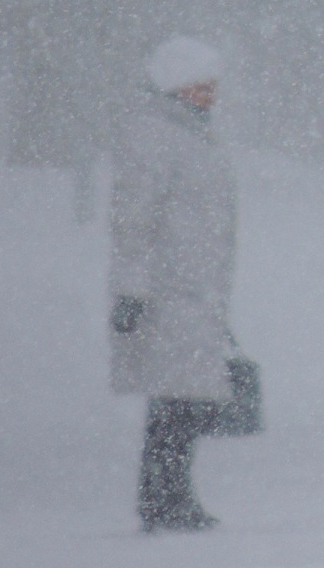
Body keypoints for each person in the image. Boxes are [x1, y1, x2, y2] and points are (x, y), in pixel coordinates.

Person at [110, 35, 239, 532]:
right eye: (200, 84)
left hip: (195, 290)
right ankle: (164, 499)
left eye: (213, 85)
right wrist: (131, 290)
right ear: (174, 84)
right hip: (166, 293)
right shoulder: (153, 136)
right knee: (175, 401)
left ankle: (170, 496)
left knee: (184, 400)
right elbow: (132, 222)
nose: (210, 93)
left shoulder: (192, 136)